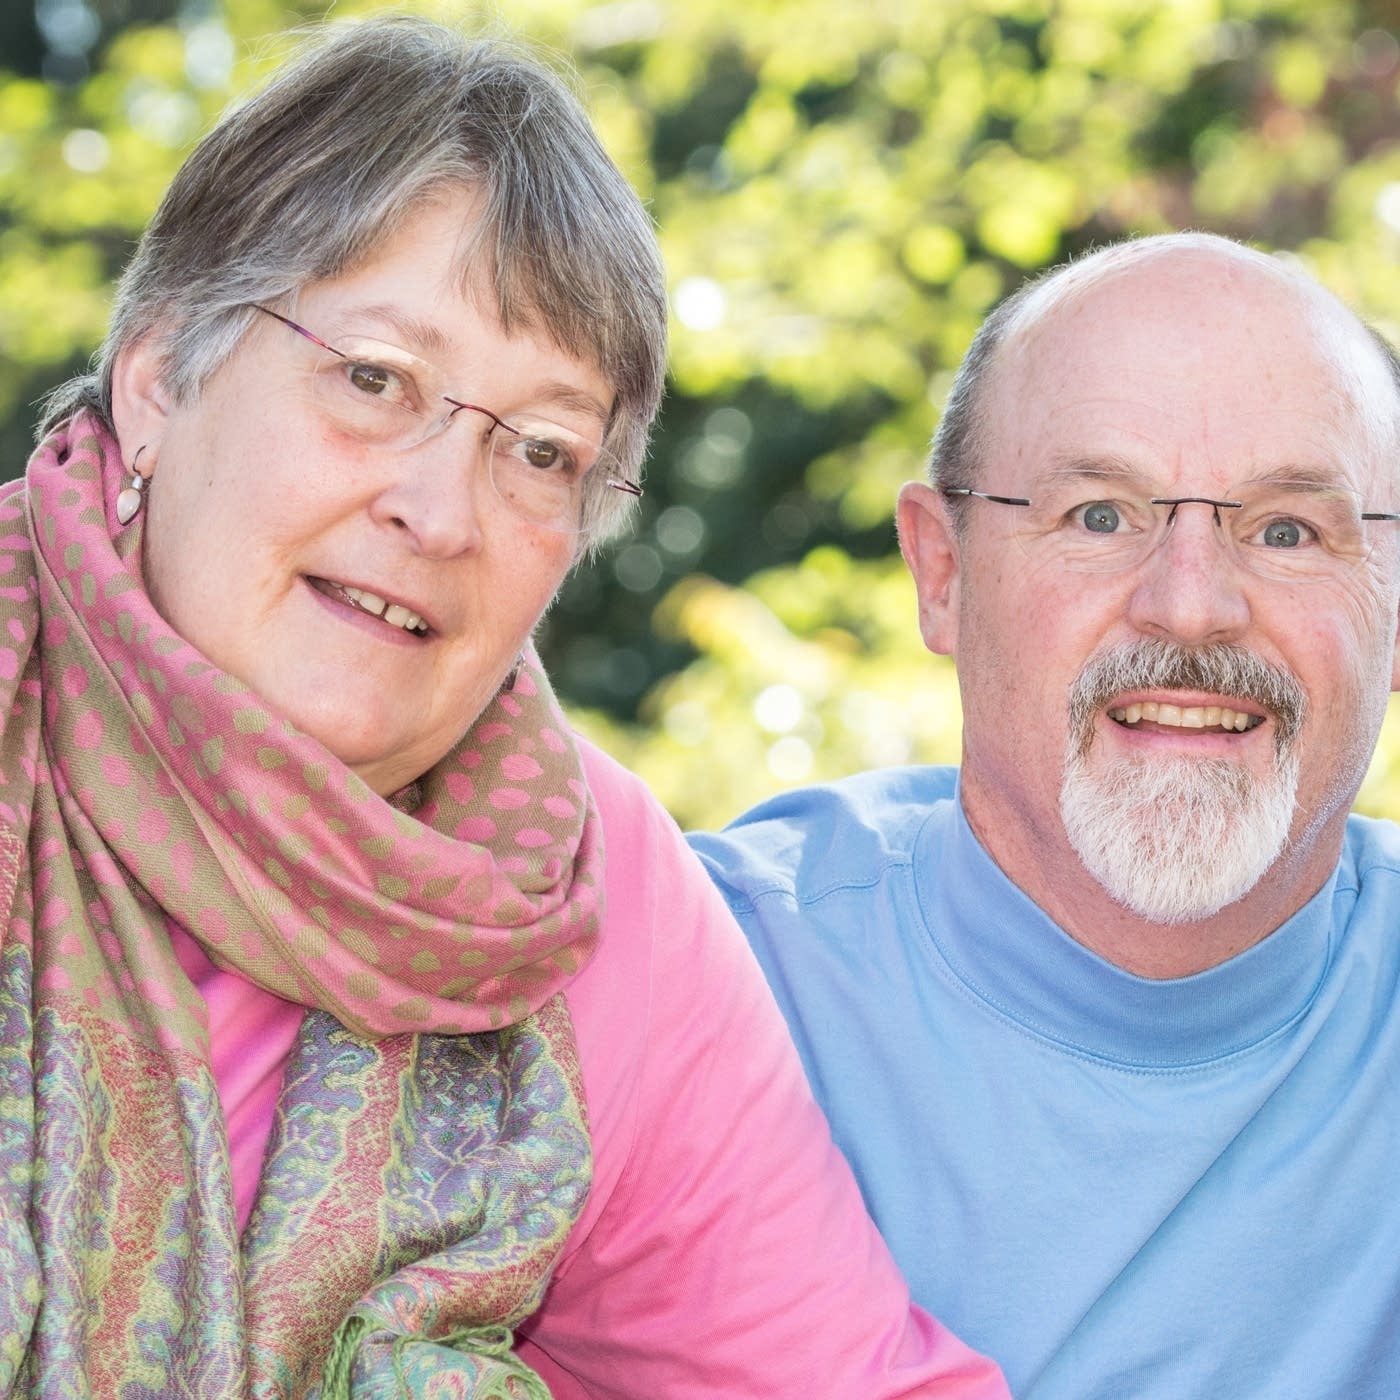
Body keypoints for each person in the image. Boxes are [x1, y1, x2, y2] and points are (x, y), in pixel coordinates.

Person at [5, 17, 1011, 1398]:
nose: (440, 512)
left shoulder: (588, 893)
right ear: (160, 379)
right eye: (374, 379)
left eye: (540, 451)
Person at [691, 231, 1400, 1399]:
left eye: (1285, 530)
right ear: (941, 571)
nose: (1190, 605)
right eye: (1098, 515)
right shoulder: (703, 983)